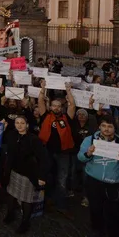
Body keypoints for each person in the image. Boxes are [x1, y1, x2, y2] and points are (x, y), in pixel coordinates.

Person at [78, 115, 119, 237]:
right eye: (103, 126)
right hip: (93, 181)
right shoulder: (90, 139)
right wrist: (88, 153)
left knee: (114, 212)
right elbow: (80, 157)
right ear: (99, 126)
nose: (106, 129)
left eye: (110, 126)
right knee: (95, 209)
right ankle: (97, 230)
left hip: (114, 183)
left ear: (115, 128)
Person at [2, 116, 49, 234]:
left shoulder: (33, 139)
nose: (19, 125)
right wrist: (2, 129)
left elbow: (44, 159)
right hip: (13, 171)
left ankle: (25, 222)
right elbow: (1, 141)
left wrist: (42, 176)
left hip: (28, 174)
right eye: (17, 123)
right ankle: (10, 214)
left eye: (22, 123)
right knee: (11, 194)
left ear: (27, 125)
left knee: (26, 199)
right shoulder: (11, 135)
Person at [37, 80, 75, 208]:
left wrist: (68, 91)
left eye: (59, 106)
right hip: (47, 151)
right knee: (47, 175)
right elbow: (40, 102)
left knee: (62, 178)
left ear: (61, 108)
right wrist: (42, 89)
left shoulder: (66, 117)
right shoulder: (45, 116)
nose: (56, 108)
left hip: (63, 153)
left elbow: (72, 105)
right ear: (51, 107)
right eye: (54, 105)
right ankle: (45, 199)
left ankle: (60, 203)